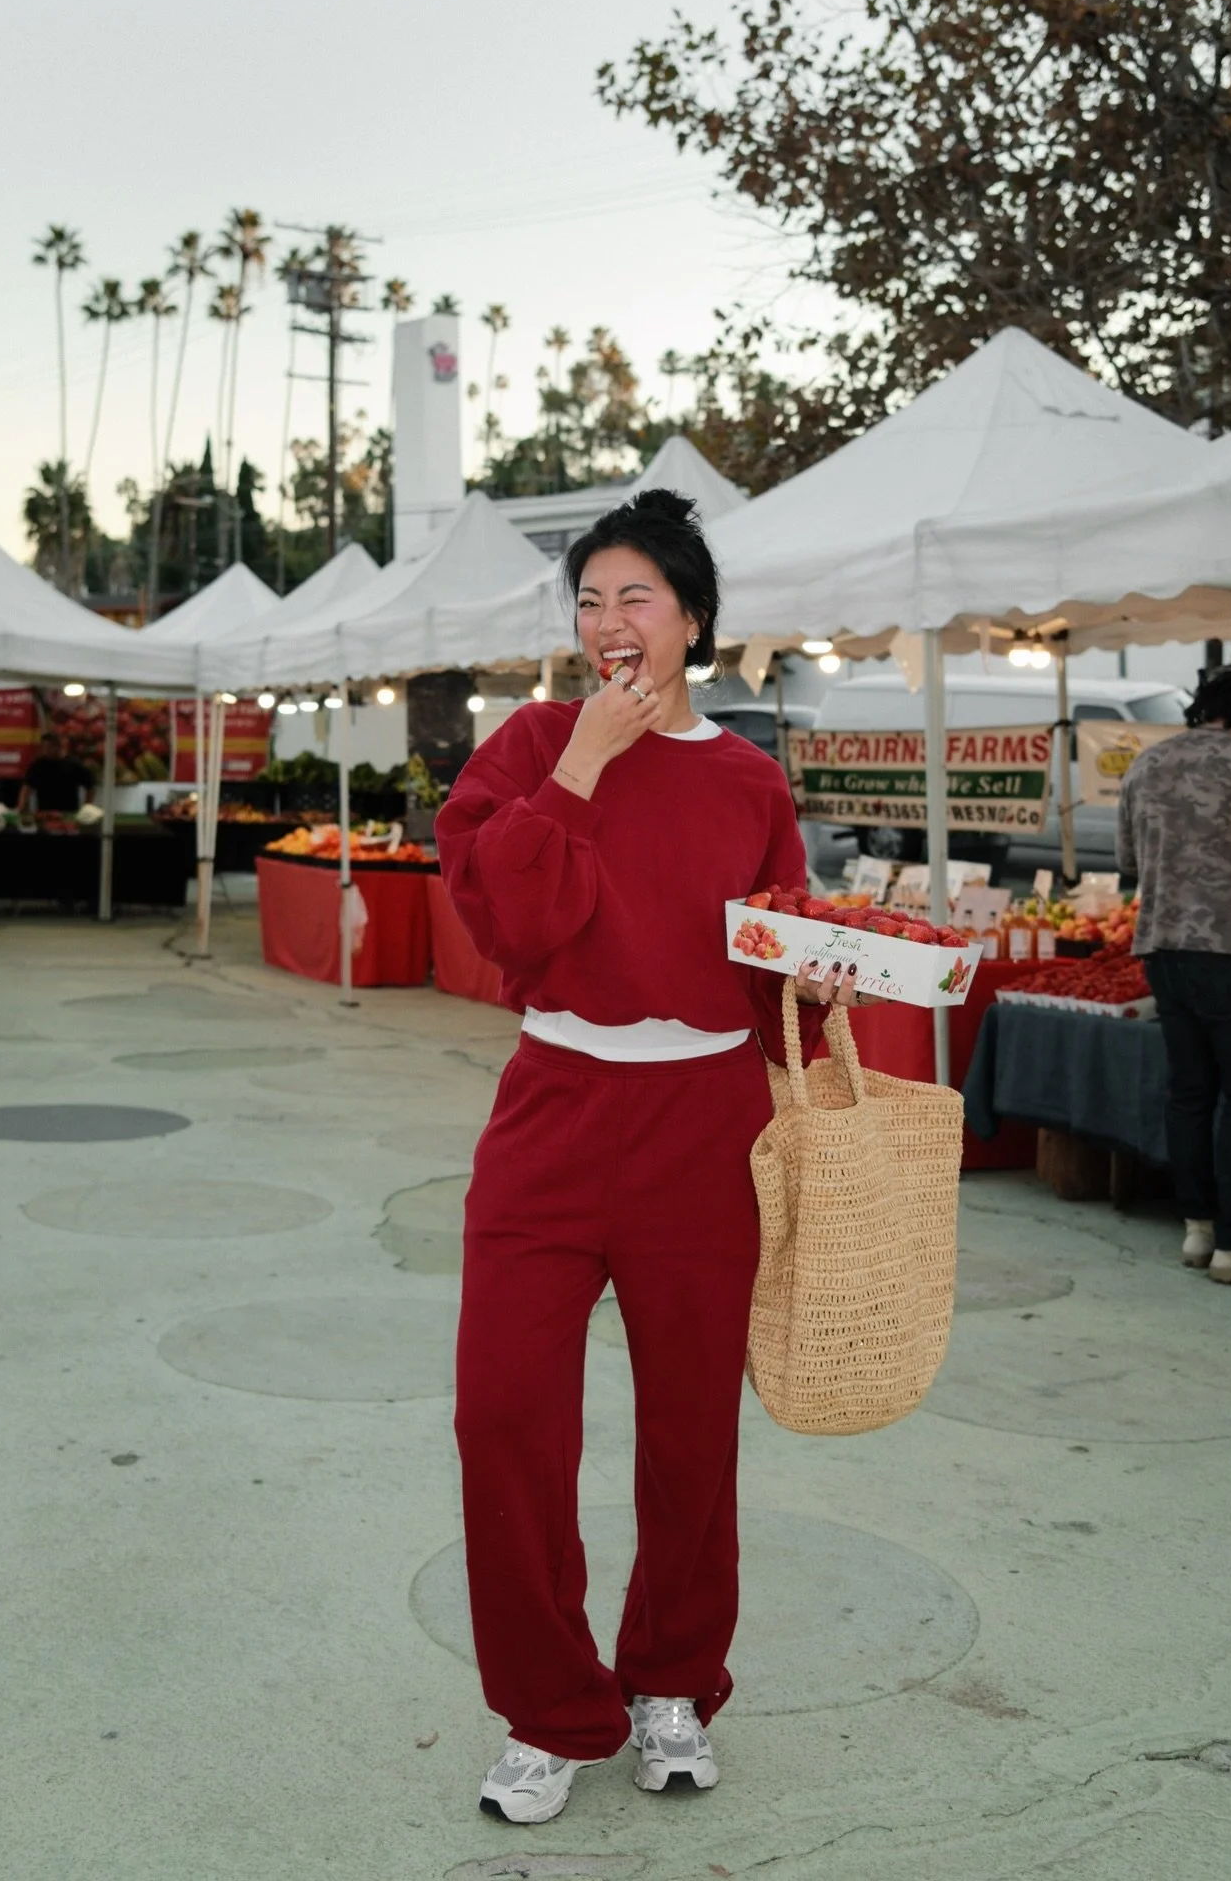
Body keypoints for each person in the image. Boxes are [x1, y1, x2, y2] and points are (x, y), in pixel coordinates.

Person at [436, 489, 872, 1826]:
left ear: (692, 620)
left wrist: (825, 961)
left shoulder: (746, 778)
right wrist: (579, 766)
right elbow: (511, 921)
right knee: (502, 1413)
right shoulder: (526, 746)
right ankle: (548, 1710)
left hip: (701, 1125)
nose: (609, 623)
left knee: (690, 1428)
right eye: (589, 600)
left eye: (636, 598)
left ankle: (671, 1680)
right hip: (554, 1108)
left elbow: (770, 945)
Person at [1118, 658, 1231, 1288]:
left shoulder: (1146, 763)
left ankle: (1199, 1229)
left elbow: (1127, 859)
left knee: (1190, 1091)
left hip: (1161, 948)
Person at [20, 732, 93, 817]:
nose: (45, 751)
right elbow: (26, 788)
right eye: (44, 748)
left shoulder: (73, 765)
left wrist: (86, 808)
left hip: (68, 814)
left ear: (58, 746)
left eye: (48, 747)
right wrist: (22, 807)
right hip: (44, 814)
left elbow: (90, 786)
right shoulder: (38, 765)